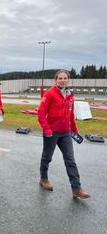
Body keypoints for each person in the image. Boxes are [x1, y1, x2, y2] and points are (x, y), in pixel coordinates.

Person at [37, 69, 91, 199]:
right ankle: (43, 179)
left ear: (68, 80)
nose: (62, 80)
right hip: (52, 132)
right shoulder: (50, 94)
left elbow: (71, 115)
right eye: (60, 78)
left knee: (70, 160)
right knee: (47, 157)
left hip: (66, 132)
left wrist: (74, 130)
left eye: (65, 78)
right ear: (56, 80)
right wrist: (47, 129)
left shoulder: (70, 95)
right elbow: (40, 113)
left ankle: (76, 189)